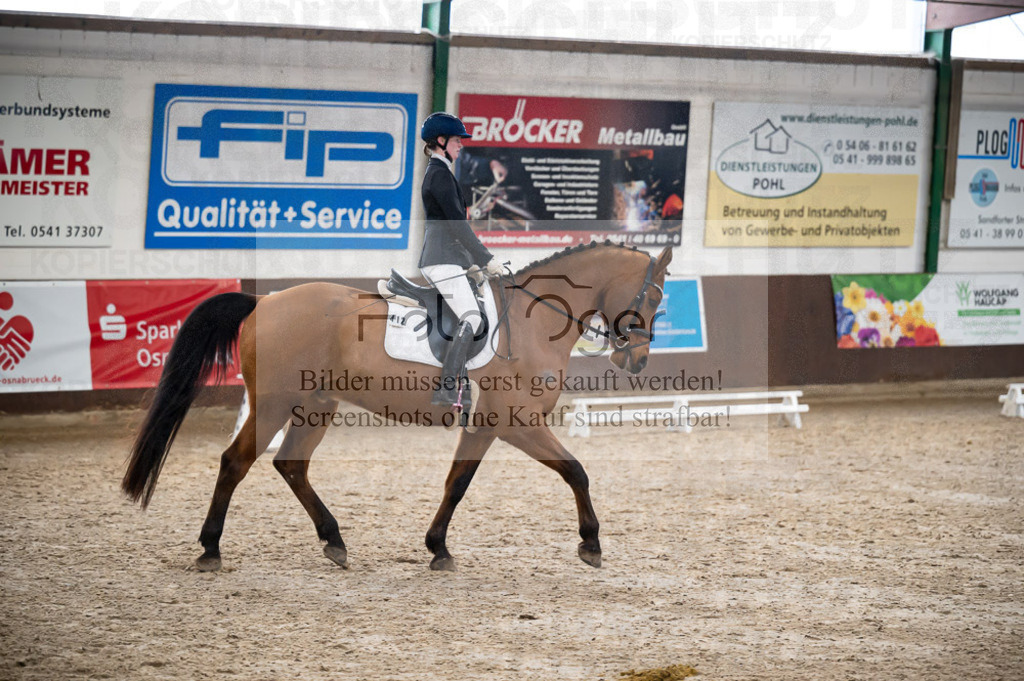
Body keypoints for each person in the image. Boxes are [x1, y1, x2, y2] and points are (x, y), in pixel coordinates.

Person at [418, 112, 503, 408]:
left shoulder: (441, 173)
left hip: (448, 258)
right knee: (472, 316)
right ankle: (447, 388)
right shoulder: (439, 175)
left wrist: (471, 264)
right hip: (440, 258)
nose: (461, 146)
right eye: (456, 140)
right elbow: (457, 225)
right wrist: (485, 259)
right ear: (440, 142)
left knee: (470, 312)